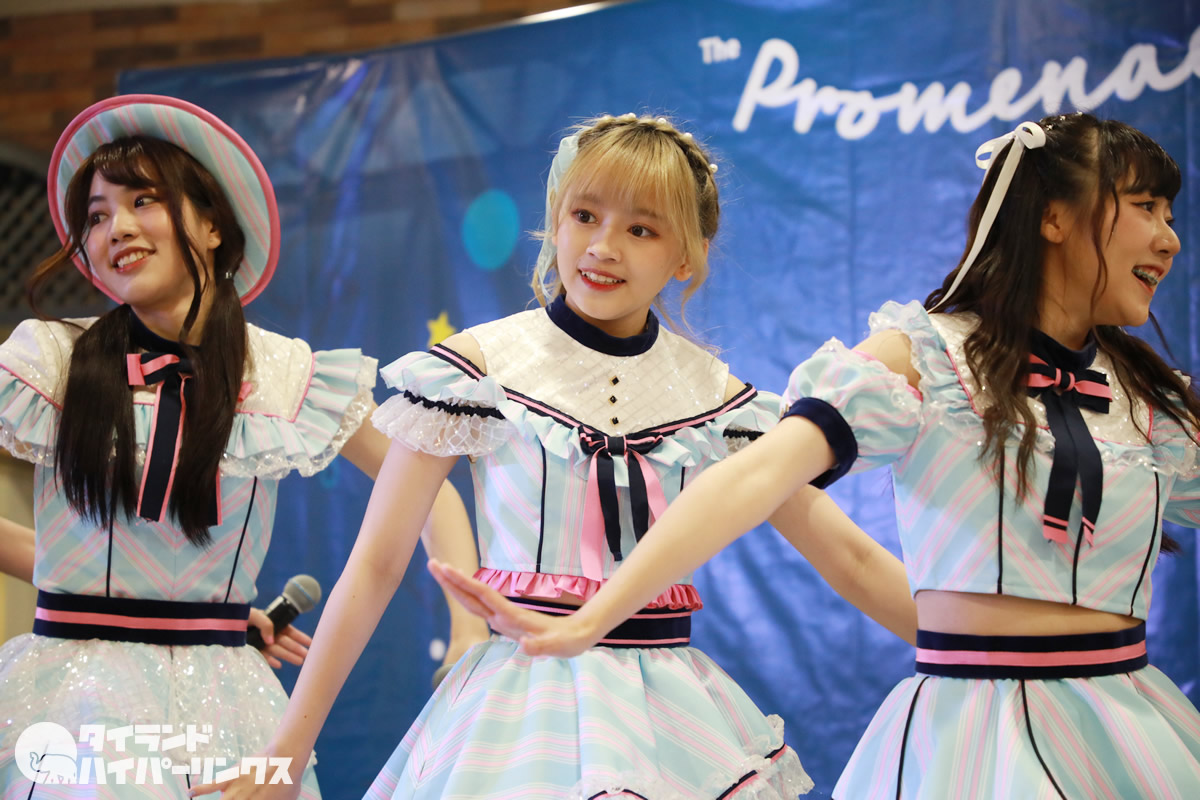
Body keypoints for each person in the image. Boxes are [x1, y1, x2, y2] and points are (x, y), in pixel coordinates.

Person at [434, 112, 1200, 798]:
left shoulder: (1153, 400)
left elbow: (835, 543)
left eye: (1169, 213)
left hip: (1132, 724)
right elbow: (755, 479)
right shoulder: (927, 357)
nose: (1168, 237)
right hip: (978, 732)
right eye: (1144, 208)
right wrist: (589, 619)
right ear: (1055, 217)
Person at [194, 112, 914, 800]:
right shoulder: (477, 367)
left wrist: (970, 658)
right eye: (585, 216)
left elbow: (847, 556)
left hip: (672, 723)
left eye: (641, 228)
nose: (603, 246)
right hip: (518, 713)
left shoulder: (718, 399)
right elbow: (378, 562)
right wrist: (288, 749)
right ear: (555, 220)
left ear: (686, 256)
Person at [0, 94, 486, 799]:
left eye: (143, 200)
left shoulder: (283, 372)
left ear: (212, 226)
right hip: (75, 699)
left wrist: (469, 627)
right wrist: (137, 598)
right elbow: (77, 554)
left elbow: (428, 491)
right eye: (96, 216)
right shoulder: (50, 357)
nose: (117, 227)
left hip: (225, 699)